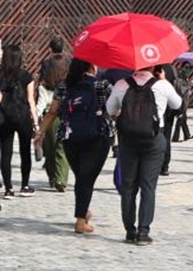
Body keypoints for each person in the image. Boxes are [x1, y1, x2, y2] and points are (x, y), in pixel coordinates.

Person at [105, 63, 182, 245]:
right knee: (148, 186)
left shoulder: (122, 84)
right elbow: (178, 104)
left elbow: (109, 110)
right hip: (154, 140)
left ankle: (129, 230)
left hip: (128, 140)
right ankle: (143, 232)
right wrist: (163, 81)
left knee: (128, 186)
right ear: (154, 65)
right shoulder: (162, 85)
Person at [35, 59, 112, 233]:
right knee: (86, 178)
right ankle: (80, 220)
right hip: (98, 136)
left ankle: (83, 212)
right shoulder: (102, 84)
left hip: (70, 136)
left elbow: (53, 111)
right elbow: (115, 109)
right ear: (92, 66)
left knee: (82, 177)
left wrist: (40, 132)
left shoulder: (64, 85)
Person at [1, 41, 38, 198]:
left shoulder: (1, 75)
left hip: (5, 117)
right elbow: (31, 100)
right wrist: (36, 122)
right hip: (23, 116)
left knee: (5, 153)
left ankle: (8, 188)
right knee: (25, 152)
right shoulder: (26, 75)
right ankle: (25, 185)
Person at [37, 37, 70, 192]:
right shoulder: (69, 61)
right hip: (66, 109)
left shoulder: (46, 63)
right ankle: (61, 178)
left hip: (49, 108)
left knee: (49, 146)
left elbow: (42, 80)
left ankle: (52, 176)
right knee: (62, 146)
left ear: (50, 48)